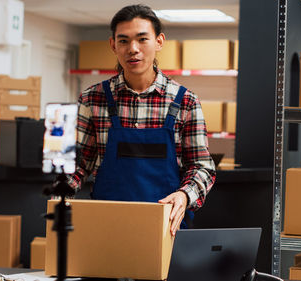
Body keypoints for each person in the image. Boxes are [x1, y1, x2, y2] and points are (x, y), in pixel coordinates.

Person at [68, 4, 216, 236]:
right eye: (124, 41)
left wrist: (184, 195)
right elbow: (78, 163)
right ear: (113, 45)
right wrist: (61, 191)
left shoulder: (185, 101)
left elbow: (202, 167)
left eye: (142, 39)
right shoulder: (92, 99)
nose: (133, 49)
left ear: (159, 41)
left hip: (166, 229)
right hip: (105, 228)